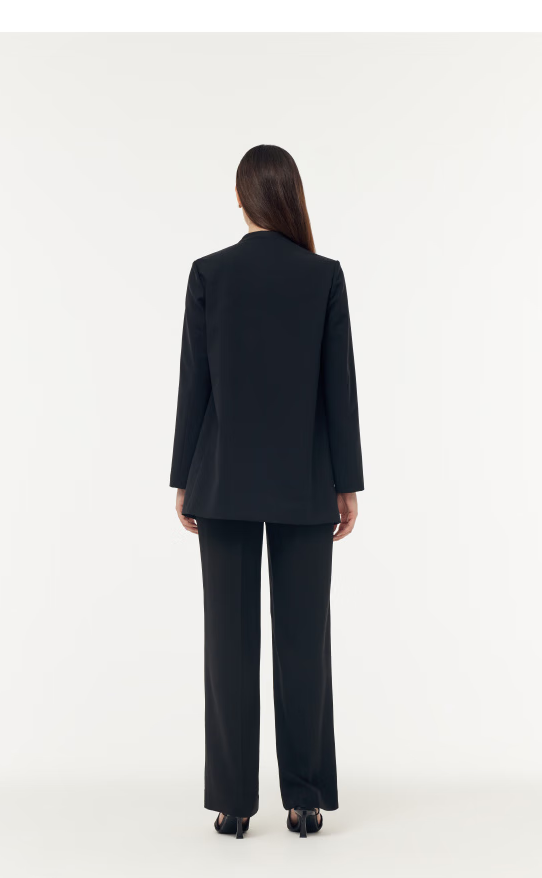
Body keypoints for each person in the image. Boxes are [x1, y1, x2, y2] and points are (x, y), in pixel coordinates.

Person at [170, 144, 364, 839]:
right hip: (306, 481)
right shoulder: (322, 276)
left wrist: (184, 477)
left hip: (222, 479)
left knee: (227, 643)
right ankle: (304, 800)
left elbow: (194, 384)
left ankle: (233, 802)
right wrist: (347, 482)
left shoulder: (209, 274)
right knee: (304, 639)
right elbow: (339, 388)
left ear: (239, 196)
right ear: (291, 196)